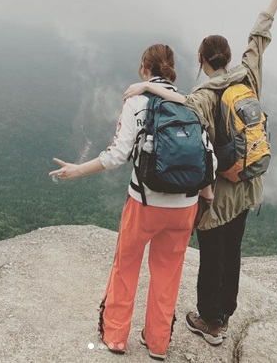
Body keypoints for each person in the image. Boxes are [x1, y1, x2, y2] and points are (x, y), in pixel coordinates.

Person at [123, 0, 277, 346]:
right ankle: (224, 313)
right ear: (228, 57)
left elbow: (183, 105)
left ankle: (209, 321)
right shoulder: (247, 77)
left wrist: (145, 86)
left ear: (202, 59)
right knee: (233, 252)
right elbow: (259, 39)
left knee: (212, 256)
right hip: (249, 185)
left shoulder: (204, 95)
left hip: (219, 193)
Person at [50, 44, 215, 360]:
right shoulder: (192, 104)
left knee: (125, 267)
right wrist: (206, 199)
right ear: (172, 70)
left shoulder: (138, 101)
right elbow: (209, 160)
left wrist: (77, 169)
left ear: (144, 68)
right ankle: (158, 344)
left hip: (145, 204)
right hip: (185, 208)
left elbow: (117, 154)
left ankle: (115, 337)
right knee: (167, 274)